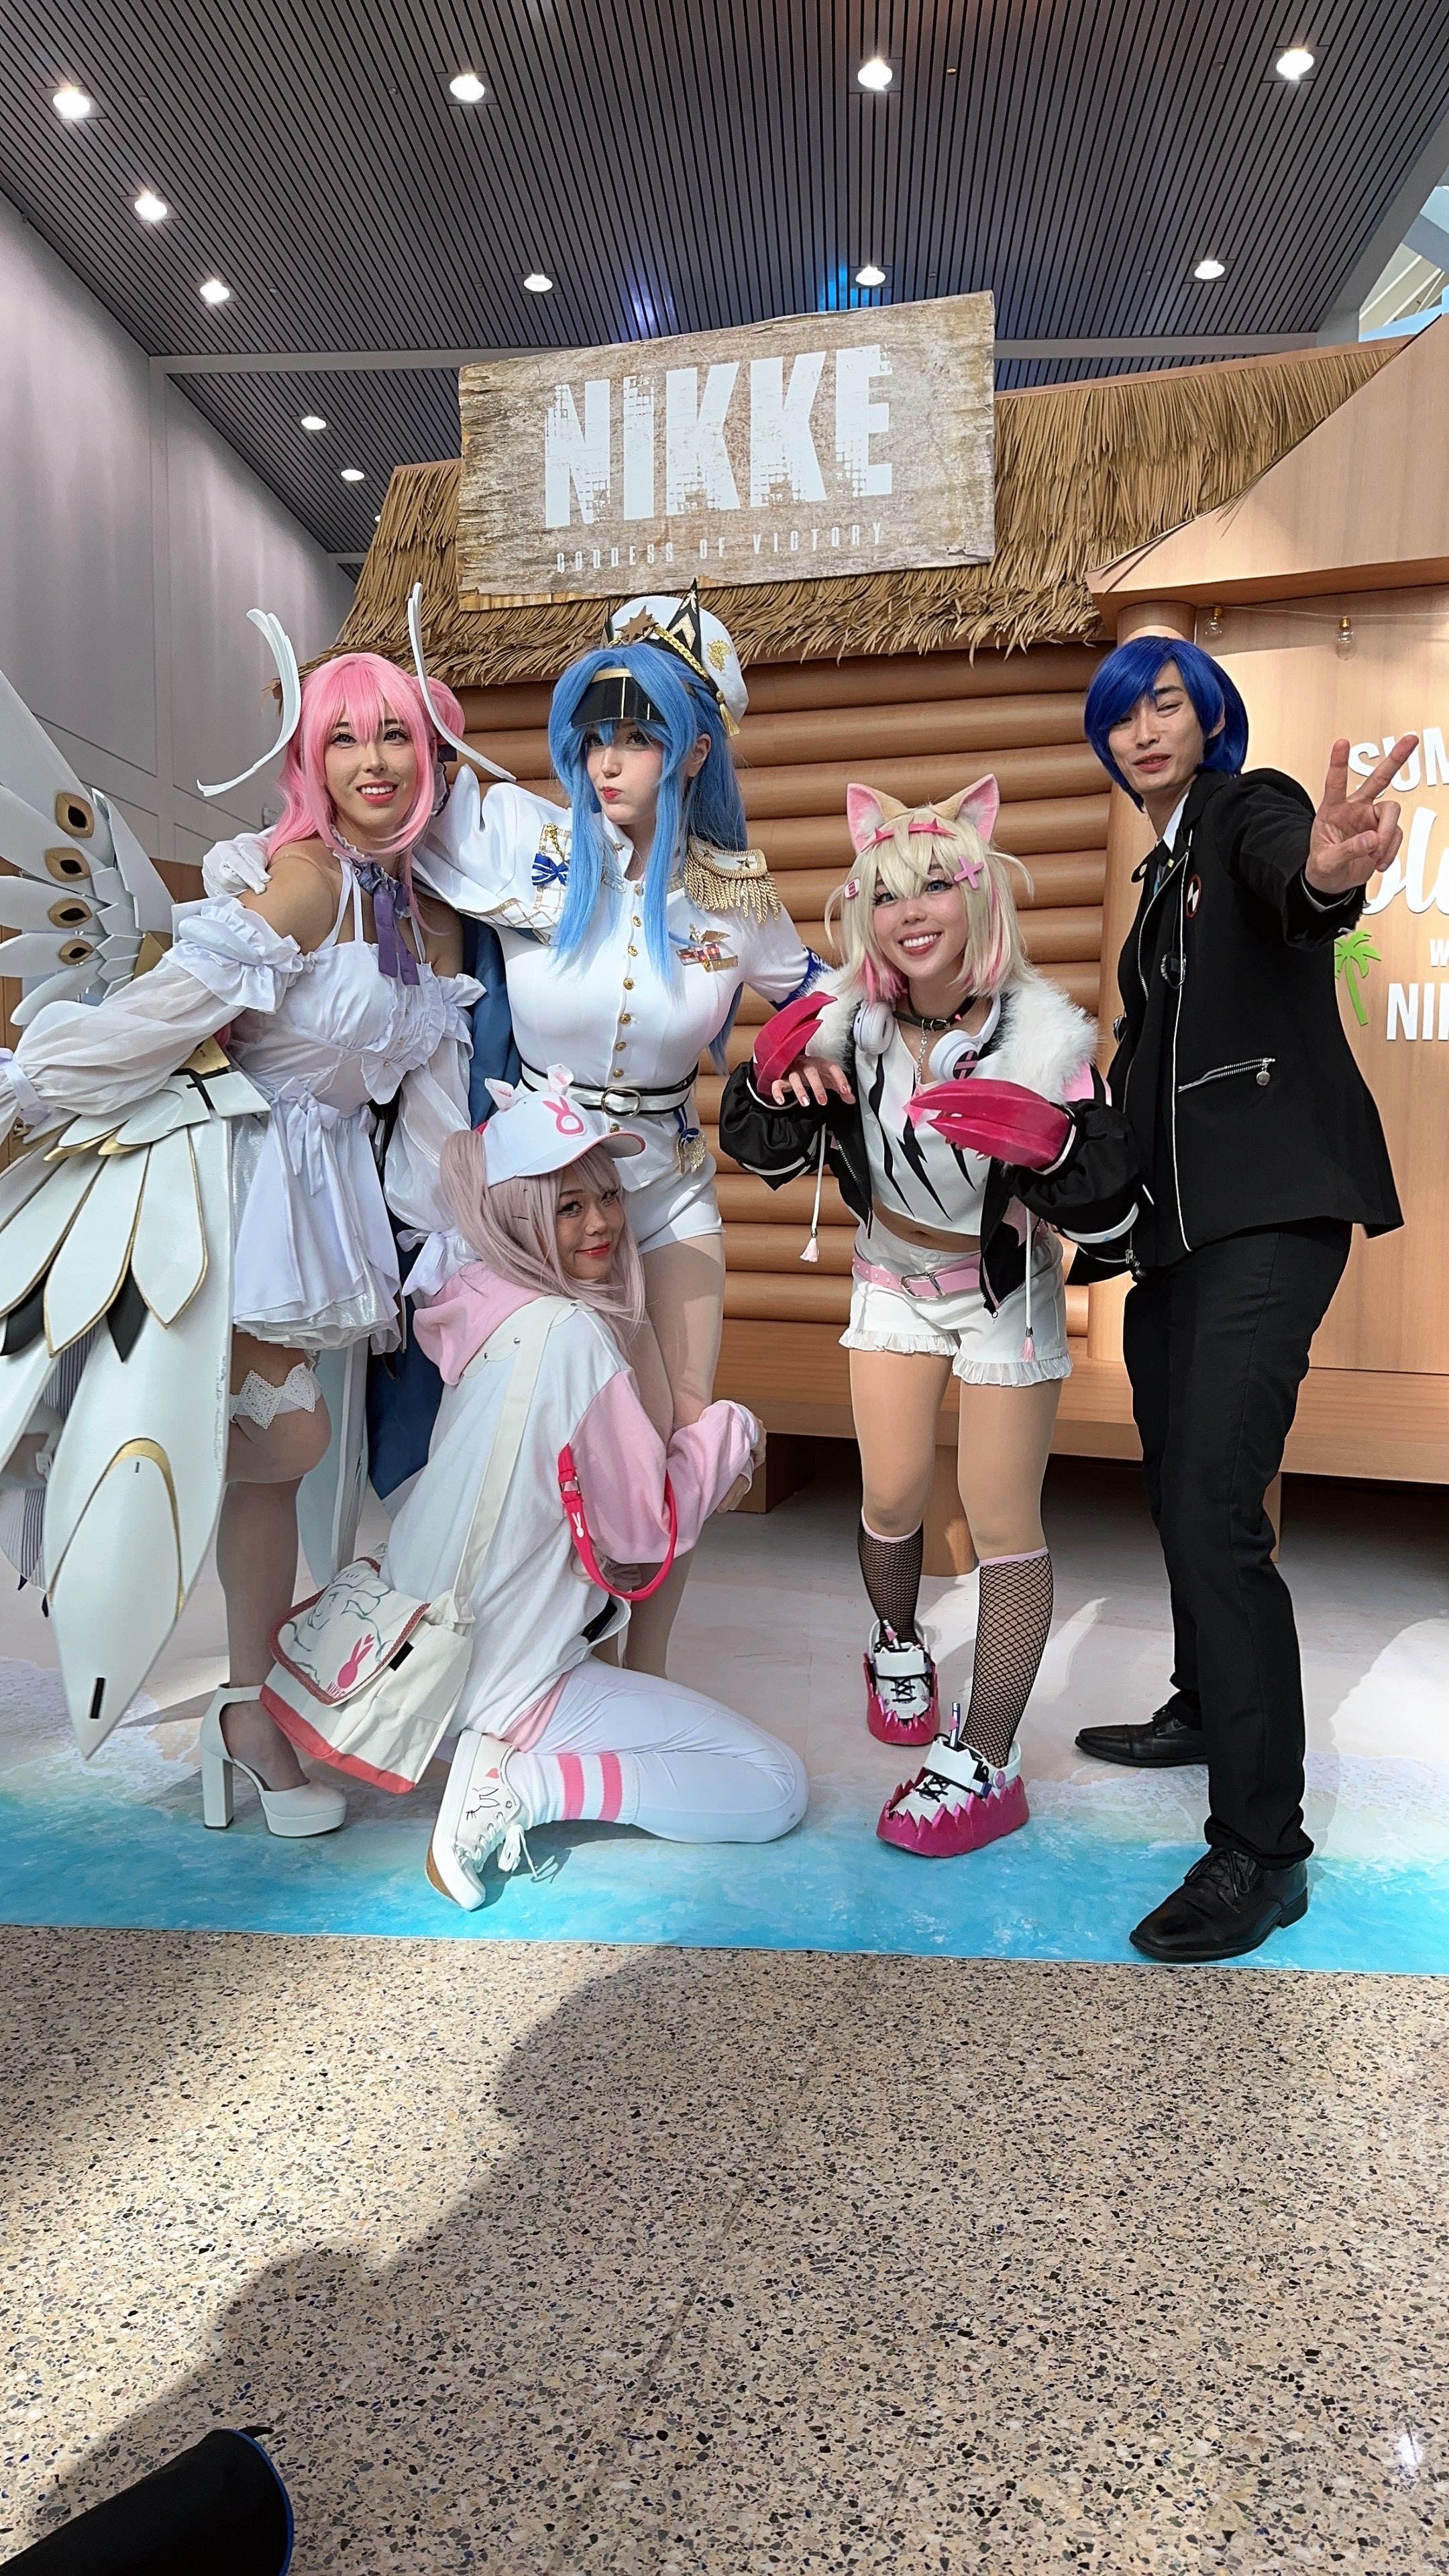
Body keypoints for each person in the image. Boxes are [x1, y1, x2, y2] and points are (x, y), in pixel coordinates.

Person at [0, 645, 483, 1834]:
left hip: (327, 1207)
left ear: (432, 756)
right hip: (233, 1180)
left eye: (395, 738)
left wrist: (467, 1253)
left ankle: (254, 1706)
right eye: (342, 739)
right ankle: (251, 1709)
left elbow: (424, 1125)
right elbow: (176, 1010)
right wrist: (35, 1075)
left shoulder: (421, 921)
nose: (372, 762)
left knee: (285, 1465)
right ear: (308, 761)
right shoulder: (307, 879)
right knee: (273, 1446)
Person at [409, 584, 826, 1676]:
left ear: (692, 755)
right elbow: (395, 800)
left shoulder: (734, 892)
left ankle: (646, 1674)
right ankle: (527, 1663)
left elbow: (813, 999)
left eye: (640, 739)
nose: (609, 760)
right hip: (546, 1194)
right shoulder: (525, 843)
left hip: (675, 1185)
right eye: (598, 735)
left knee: (678, 1430)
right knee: (539, 1433)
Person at [719, 779, 1137, 1862]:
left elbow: (1109, 1192)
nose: (912, 913)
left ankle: (985, 1759)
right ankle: (896, 1640)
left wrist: (1050, 1145)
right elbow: (761, 1147)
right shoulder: (845, 1027)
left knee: (1003, 1518)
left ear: (980, 897)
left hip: (1005, 1290)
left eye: (936, 888)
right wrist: (774, 1089)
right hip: (891, 1275)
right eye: (888, 894)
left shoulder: (1043, 1032)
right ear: (865, 914)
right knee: (894, 1493)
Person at [1073, 635, 1411, 1962]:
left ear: (1210, 722)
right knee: (1175, 1486)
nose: (1146, 730)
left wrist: (1328, 868)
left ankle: (1264, 1851)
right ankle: (1209, 1702)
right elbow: (1141, 1081)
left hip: (1270, 1218)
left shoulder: (1241, 808)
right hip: (1176, 1240)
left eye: (1168, 706)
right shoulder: (1158, 889)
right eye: (1124, 715)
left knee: (1217, 1507)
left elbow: (1299, 877)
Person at [347, 1073, 807, 1904]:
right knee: (774, 1787)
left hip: (421, 1669)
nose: (600, 1222)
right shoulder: (577, 1339)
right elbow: (639, 1541)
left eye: (605, 1196)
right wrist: (726, 1437)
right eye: (566, 1207)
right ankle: (519, 1789)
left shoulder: (482, 1305)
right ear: (519, 1214)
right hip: (507, 1684)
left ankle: (505, 1768)